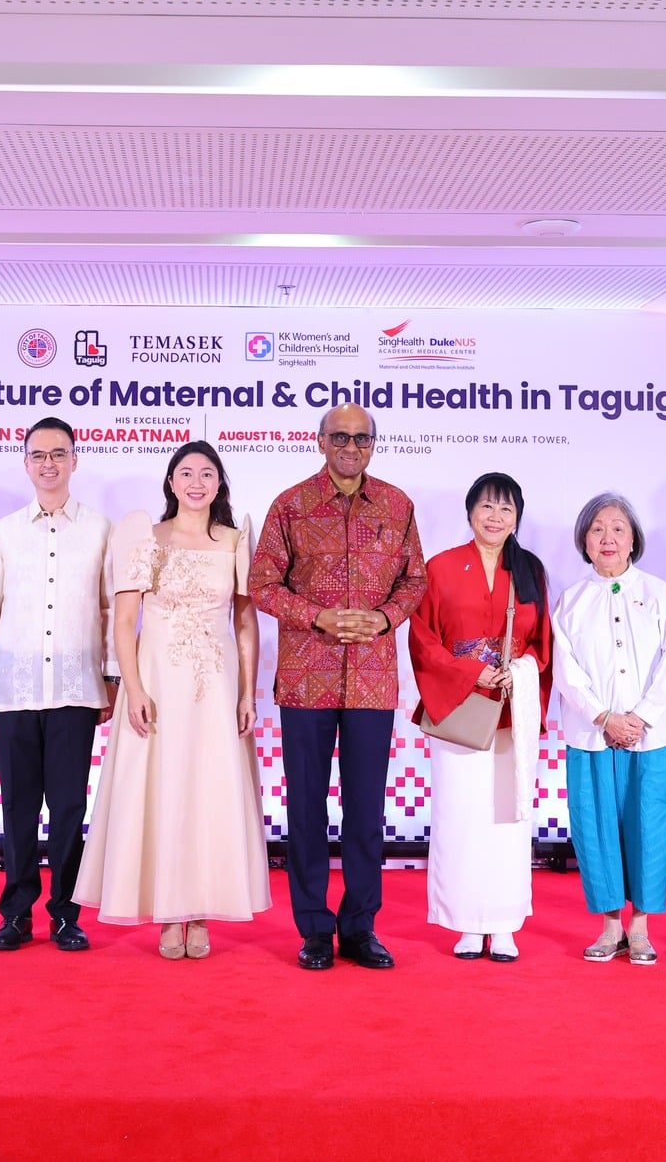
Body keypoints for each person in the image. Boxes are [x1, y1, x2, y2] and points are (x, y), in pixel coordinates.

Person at [249, 403, 427, 971]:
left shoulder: (397, 505)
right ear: (320, 441)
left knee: (366, 811)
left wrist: (384, 618)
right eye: (341, 437)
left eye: (362, 439)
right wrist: (317, 617)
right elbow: (262, 585)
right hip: (306, 679)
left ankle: (360, 927)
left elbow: (415, 579)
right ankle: (314, 930)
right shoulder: (290, 505)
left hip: (373, 682)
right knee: (306, 808)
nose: (352, 447)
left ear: (373, 445)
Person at [75, 441, 269, 956]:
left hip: (217, 684)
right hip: (158, 680)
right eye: (186, 473)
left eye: (207, 473)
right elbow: (122, 621)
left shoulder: (235, 539)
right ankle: (168, 909)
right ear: (171, 482)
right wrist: (132, 687)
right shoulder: (143, 533)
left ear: (219, 483)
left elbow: (246, 622)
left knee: (209, 789)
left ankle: (202, 910)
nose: (197, 482)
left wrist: (249, 692)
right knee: (163, 788)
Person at [0, 416, 116, 953]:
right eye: (39, 455)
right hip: (13, 691)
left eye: (59, 453)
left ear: (75, 459)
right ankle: (15, 914)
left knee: (68, 808)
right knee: (16, 807)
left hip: (77, 691)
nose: (49, 463)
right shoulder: (5, 532)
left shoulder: (100, 528)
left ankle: (65, 914)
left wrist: (112, 679)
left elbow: (110, 608)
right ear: (26, 462)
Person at [406, 472, 551, 962]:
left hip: (512, 710)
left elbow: (542, 642)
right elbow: (423, 638)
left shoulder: (529, 569)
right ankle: (466, 922)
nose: (495, 517)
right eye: (487, 507)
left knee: (507, 816)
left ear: (518, 518)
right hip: (460, 710)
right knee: (460, 814)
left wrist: (521, 671)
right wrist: (472, 673)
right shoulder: (441, 568)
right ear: (470, 512)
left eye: (506, 509)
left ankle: (505, 922)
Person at [551, 493, 666, 966]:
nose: (607, 538)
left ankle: (641, 929)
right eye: (597, 529)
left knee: (652, 828)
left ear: (634, 539)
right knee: (596, 828)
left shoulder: (659, 594)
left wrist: (640, 717)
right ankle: (610, 927)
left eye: (618, 528)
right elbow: (565, 670)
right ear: (584, 542)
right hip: (592, 737)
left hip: (655, 737)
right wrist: (604, 717)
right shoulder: (571, 600)